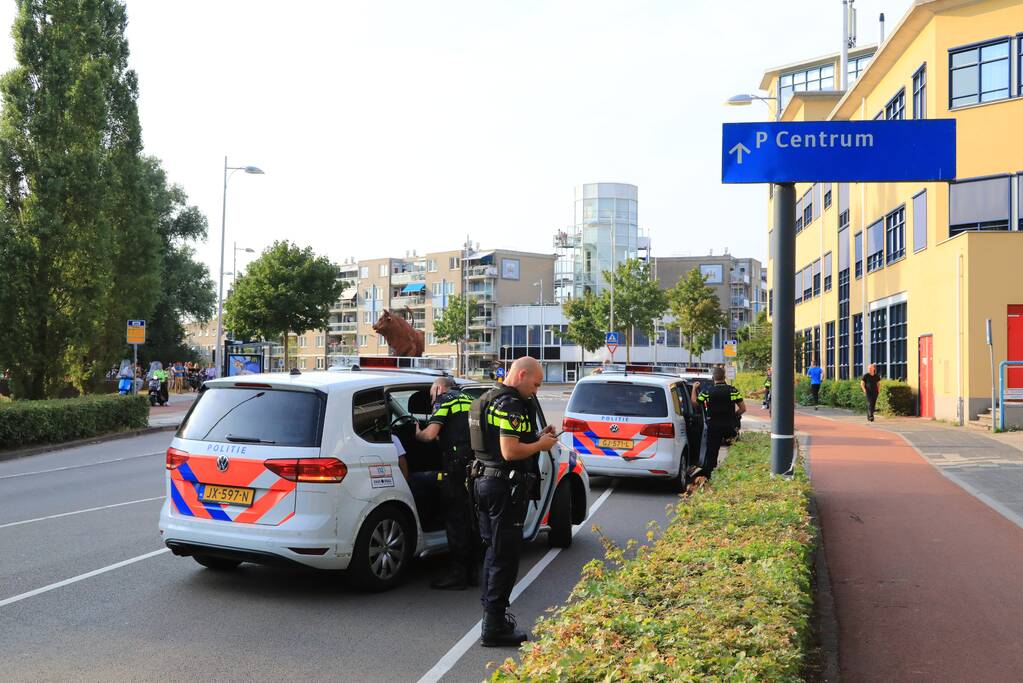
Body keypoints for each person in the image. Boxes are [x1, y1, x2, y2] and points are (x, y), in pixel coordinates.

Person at [469, 356, 557, 647]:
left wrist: (535, 436)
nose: (536, 390)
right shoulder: (512, 404)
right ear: (520, 375)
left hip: (485, 482)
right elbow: (509, 451)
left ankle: (492, 619)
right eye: (535, 383)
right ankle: (494, 626)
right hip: (503, 487)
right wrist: (541, 446)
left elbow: (496, 443)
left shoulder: (487, 398)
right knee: (504, 557)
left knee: (494, 552)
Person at [415, 376, 476, 590]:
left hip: (455, 470)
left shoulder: (445, 400)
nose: (432, 396)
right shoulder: (472, 399)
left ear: (440, 387)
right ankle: (473, 573)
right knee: (471, 520)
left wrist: (417, 433)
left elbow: (430, 435)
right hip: (475, 468)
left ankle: (458, 575)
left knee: (455, 521)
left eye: (432, 391)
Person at [690, 367, 745, 484]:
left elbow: (695, 404)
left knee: (712, 453)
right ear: (724, 377)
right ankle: (734, 477)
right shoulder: (732, 391)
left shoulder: (707, 392)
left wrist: (694, 388)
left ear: (713, 377)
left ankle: (710, 478)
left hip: (713, 427)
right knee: (735, 451)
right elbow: (742, 408)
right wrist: (734, 416)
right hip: (730, 426)